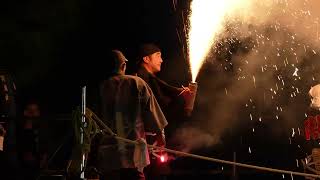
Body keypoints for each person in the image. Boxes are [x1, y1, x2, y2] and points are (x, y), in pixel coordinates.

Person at [93, 50, 167, 180]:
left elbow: (92, 123)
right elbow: (154, 117)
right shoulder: (137, 83)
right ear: (123, 65)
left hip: (109, 158)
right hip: (134, 156)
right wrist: (161, 139)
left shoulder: (100, 87)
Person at [136, 43, 192, 180]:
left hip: (150, 136)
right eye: (158, 56)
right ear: (146, 59)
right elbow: (161, 100)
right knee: (153, 171)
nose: (161, 60)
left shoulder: (148, 79)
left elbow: (164, 90)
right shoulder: (142, 79)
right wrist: (180, 95)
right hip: (146, 136)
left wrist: (179, 93)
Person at [17, 100, 49, 180]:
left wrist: (43, 160)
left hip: (39, 164)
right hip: (23, 167)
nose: (33, 113)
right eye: (30, 110)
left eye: (35, 110)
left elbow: (46, 145)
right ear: (25, 112)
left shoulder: (43, 128)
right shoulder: (19, 129)